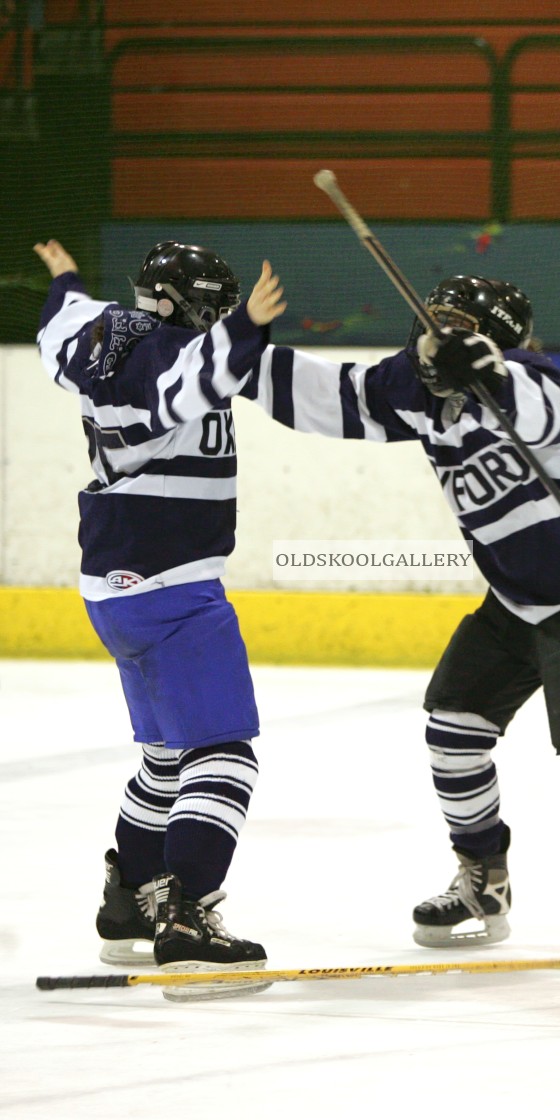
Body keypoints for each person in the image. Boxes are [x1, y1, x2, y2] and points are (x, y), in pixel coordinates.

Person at [236, 273, 560, 974]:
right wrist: (233, 348)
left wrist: (487, 371)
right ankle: (483, 884)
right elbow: (327, 396)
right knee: (452, 732)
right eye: (432, 318)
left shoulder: (532, 383)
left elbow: (536, 405)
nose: (433, 330)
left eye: (453, 323)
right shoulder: (416, 395)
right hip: (511, 606)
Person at [34, 238, 286, 1000]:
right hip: (177, 584)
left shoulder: (95, 333)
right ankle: (187, 918)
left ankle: (128, 901)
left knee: (164, 758)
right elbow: (192, 378)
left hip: (110, 589)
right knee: (223, 753)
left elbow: (60, 320)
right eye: (211, 302)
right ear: (185, 305)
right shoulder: (172, 362)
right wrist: (245, 326)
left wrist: (65, 277)